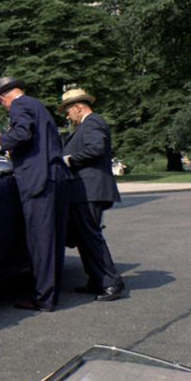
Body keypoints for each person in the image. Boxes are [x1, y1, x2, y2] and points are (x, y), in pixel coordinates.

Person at [0, 77, 70, 313]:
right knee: (53, 239)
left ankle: (44, 298)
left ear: (3, 99)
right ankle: (50, 293)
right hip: (55, 177)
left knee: (40, 241)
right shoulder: (37, 105)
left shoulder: (19, 105)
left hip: (38, 180)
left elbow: (22, 133)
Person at [59, 87, 125, 301]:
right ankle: (97, 280)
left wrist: (69, 160)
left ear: (79, 107)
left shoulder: (93, 122)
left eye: (68, 111)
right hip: (86, 191)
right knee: (84, 238)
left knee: (91, 237)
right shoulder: (88, 125)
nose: (67, 115)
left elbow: (96, 148)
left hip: (90, 190)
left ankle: (111, 282)